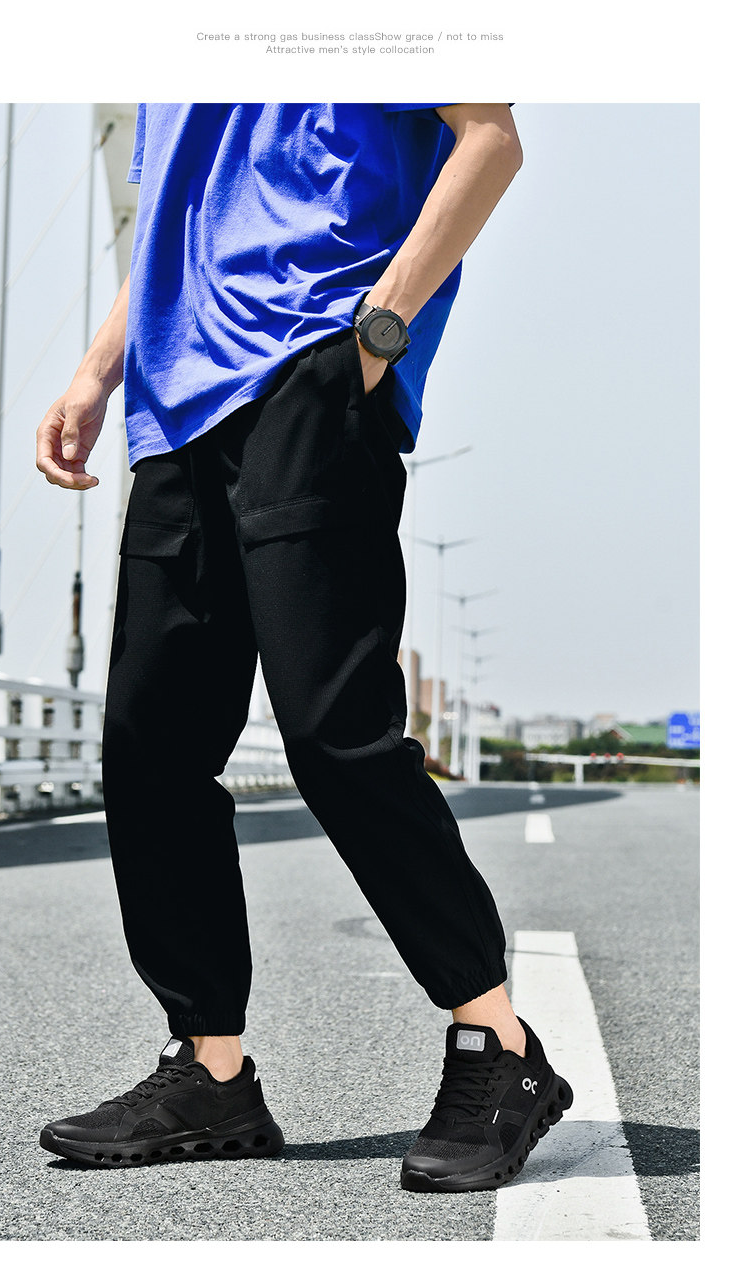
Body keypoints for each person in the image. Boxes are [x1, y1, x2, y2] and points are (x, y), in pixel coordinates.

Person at [35, 102, 572, 1192]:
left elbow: (491, 136)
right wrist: (98, 369)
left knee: (336, 732)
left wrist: (377, 336)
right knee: (149, 747)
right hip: (175, 407)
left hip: (311, 372)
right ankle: (210, 1071)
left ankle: (498, 1041)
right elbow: (182, 219)